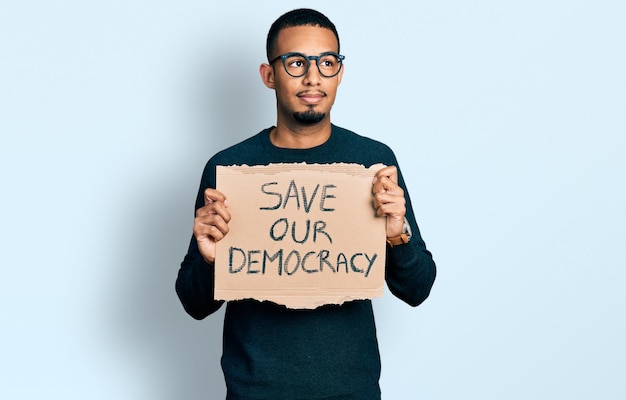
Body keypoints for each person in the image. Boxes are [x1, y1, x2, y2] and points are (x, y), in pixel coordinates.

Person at [176, 8, 436, 400]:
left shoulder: (372, 163)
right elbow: (193, 303)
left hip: (351, 393)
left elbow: (418, 288)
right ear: (269, 75)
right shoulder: (228, 168)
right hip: (254, 393)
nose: (313, 77)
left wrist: (398, 236)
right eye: (296, 62)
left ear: (339, 73)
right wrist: (211, 259)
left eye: (327, 62)